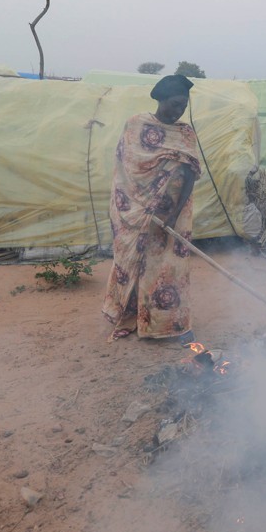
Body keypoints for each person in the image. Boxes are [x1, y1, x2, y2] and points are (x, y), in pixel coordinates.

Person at [102, 74, 202, 343]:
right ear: (160, 99)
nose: (178, 110)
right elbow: (126, 166)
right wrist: (142, 206)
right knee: (133, 262)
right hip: (135, 212)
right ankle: (127, 318)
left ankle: (167, 323)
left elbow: (192, 173)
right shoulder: (137, 124)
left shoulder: (185, 133)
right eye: (174, 104)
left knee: (166, 268)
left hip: (172, 214)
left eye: (183, 105)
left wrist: (174, 212)